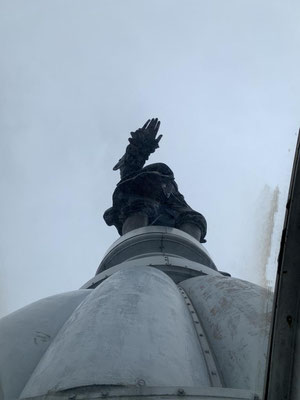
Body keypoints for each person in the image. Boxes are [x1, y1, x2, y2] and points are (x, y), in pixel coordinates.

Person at [103, 119, 207, 242]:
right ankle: (133, 243)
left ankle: (190, 248)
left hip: (161, 191)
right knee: (139, 207)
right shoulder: (137, 187)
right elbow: (130, 164)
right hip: (144, 193)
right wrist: (141, 144)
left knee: (192, 218)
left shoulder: (171, 195)